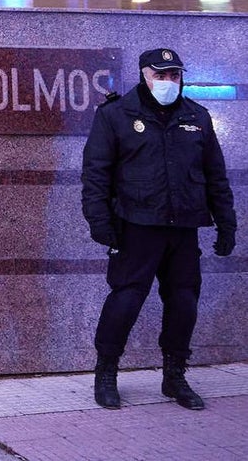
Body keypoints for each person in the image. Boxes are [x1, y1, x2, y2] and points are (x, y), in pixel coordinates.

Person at [82, 47, 237, 411]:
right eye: (160, 75)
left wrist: (226, 223)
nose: (168, 82)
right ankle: (106, 373)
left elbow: (215, 175)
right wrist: (99, 222)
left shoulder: (197, 116)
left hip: (183, 227)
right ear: (143, 75)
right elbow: (96, 174)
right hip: (136, 226)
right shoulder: (116, 115)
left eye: (174, 75)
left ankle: (174, 375)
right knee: (126, 300)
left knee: (184, 302)